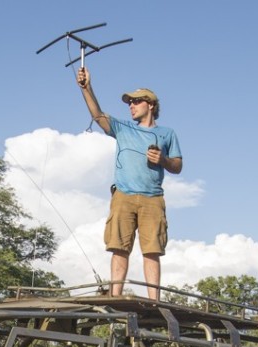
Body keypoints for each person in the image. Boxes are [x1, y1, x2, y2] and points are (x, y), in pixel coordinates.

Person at [76, 65, 183, 299]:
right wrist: (86, 88)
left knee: (152, 250)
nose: (131, 106)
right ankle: (115, 296)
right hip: (123, 195)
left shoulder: (167, 133)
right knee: (119, 247)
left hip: (153, 198)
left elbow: (177, 166)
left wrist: (163, 159)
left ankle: (154, 301)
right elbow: (97, 115)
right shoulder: (122, 128)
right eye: (129, 103)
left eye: (136, 102)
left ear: (151, 105)